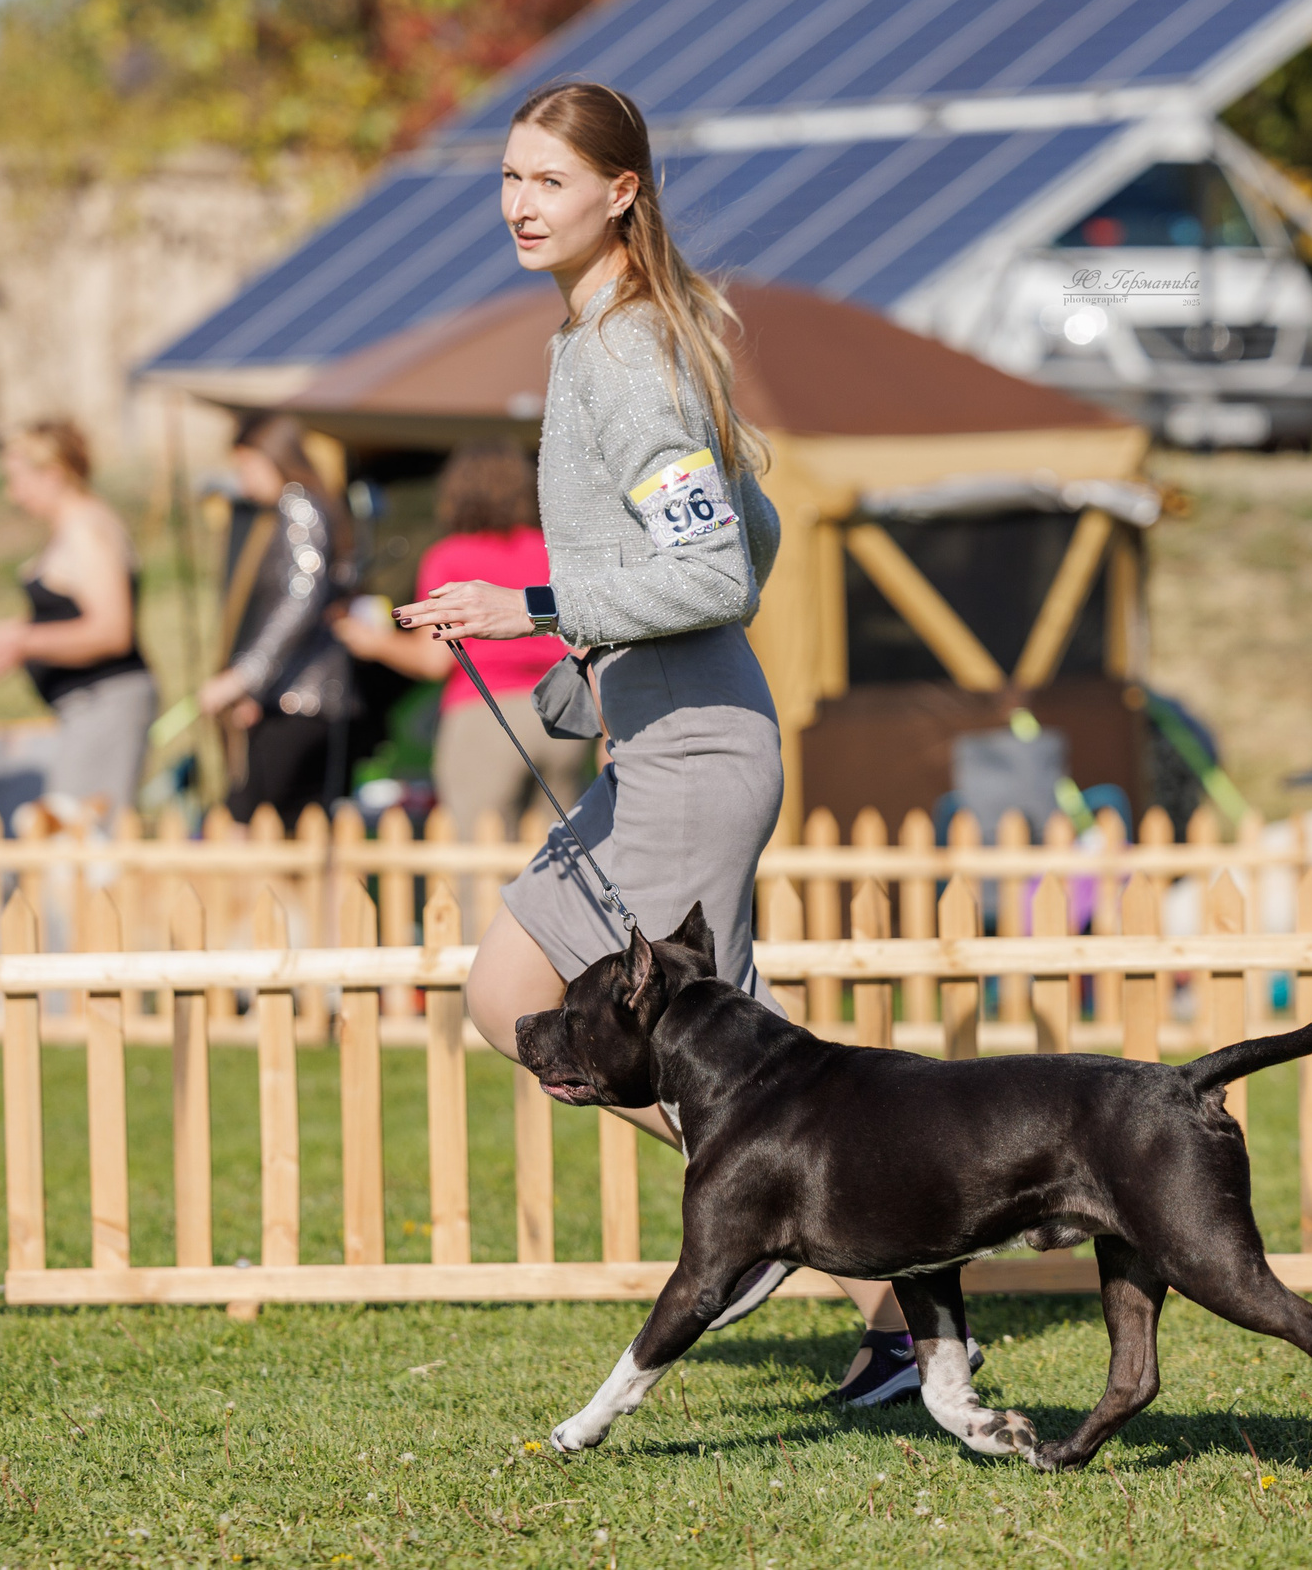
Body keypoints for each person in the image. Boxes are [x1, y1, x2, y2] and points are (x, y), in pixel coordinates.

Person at [391, 80, 937, 1407]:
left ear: (620, 192)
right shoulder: (598, 337)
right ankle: (855, 1260)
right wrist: (579, 633)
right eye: (510, 178)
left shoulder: (630, 354)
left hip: (697, 760)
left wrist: (534, 607)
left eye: (549, 182)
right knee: (515, 991)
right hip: (666, 746)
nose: (521, 204)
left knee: (631, 1035)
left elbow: (711, 579)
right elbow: (757, 532)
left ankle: (816, 1243)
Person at [333, 440, 584, 832]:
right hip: (563, 713)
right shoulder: (551, 552)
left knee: (477, 858)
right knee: (566, 855)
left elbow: (435, 660)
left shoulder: (450, 557)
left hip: (484, 716)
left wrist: (375, 642)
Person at [0, 420, 158, 820]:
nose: (13, 495)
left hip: (105, 704)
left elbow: (112, 630)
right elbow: (59, 614)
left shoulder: (87, 529)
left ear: (53, 474)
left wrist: (24, 643)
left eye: (18, 480)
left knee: (81, 843)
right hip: (85, 708)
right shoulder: (69, 529)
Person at [198, 416, 363, 822]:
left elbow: (299, 599)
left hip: (302, 698)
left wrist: (246, 676)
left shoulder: (300, 505)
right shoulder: (302, 507)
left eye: (248, 467)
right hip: (294, 695)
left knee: (251, 818)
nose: (244, 481)